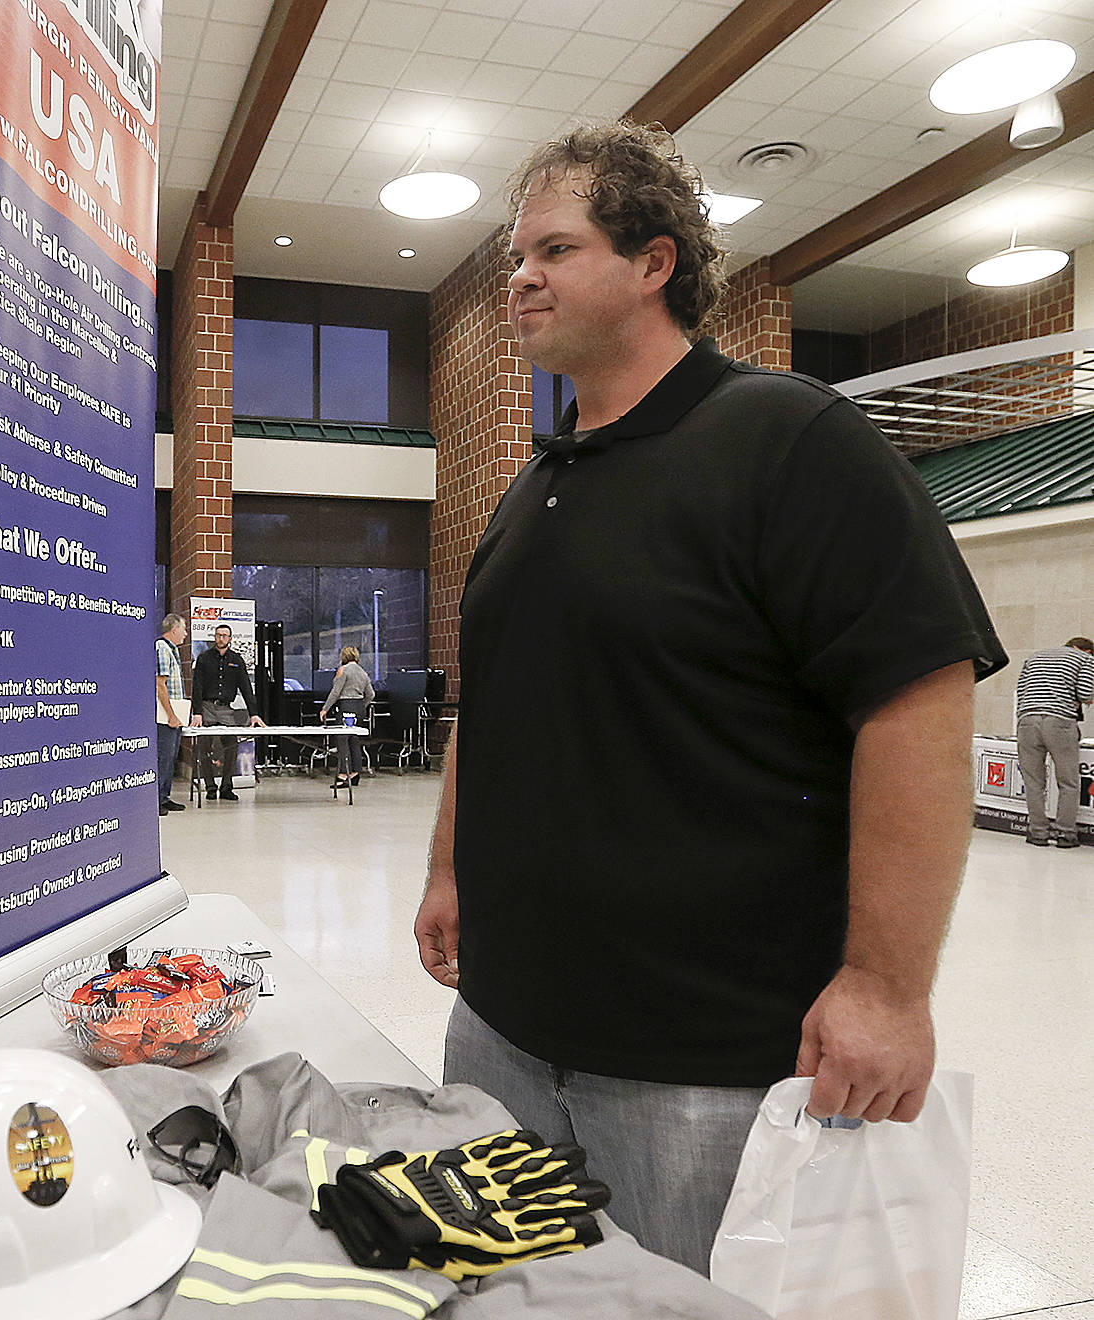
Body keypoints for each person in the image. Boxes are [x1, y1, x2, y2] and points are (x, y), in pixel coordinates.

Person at [413, 120, 1005, 1277]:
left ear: (654, 263)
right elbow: (493, 706)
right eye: (513, 255)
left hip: (697, 1069)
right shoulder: (533, 488)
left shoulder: (789, 441)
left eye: (554, 249)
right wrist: (448, 868)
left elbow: (917, 701)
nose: (519, 277)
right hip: (499, 1033)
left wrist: (887, 988)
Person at [1013, 637, 1094, 847]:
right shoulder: (1084, 659)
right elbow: (1086, 694)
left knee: (1033, 782)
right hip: (1059, 722)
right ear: (1087, 650)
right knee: (1068, 782)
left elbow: (1021, 692)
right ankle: (1066, 834)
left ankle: (1037, 833)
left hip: (1027, 722)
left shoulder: (1034, 656)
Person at [189, 623, 266, 800]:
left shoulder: (237, 660)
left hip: (226, 709)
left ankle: (226, 787)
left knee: (232, 746)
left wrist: (254, 713)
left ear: (230, 639)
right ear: (214, 637)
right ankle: (209, 787)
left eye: (224, 635)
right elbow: (197, 687)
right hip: (207, 708)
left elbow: (246, 688)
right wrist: (197, 712)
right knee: (203, 746)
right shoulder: (204, 658)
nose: (221, 638)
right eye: (218, 635)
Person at [322, 645, 375, 789]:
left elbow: (335, 692)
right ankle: (355, 772)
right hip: (359, 708)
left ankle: (343, 775)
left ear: (343, 656)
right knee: (354, 740)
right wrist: (361, 706)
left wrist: (325, 709)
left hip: (346, 706)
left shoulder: (343, 670)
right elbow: (371, 694)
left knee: (342, 740)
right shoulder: (363, 673)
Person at [156, 613, 189, 814]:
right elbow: (160, 684)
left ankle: (165, 796)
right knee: (164, 757)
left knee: (171, 757)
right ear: (174, 629)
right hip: (165, 716)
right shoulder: (161, 648)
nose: (186, 634)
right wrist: (171, 715)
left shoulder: (172, 649)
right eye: (184, 629)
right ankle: (156, 799)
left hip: (175, 715)